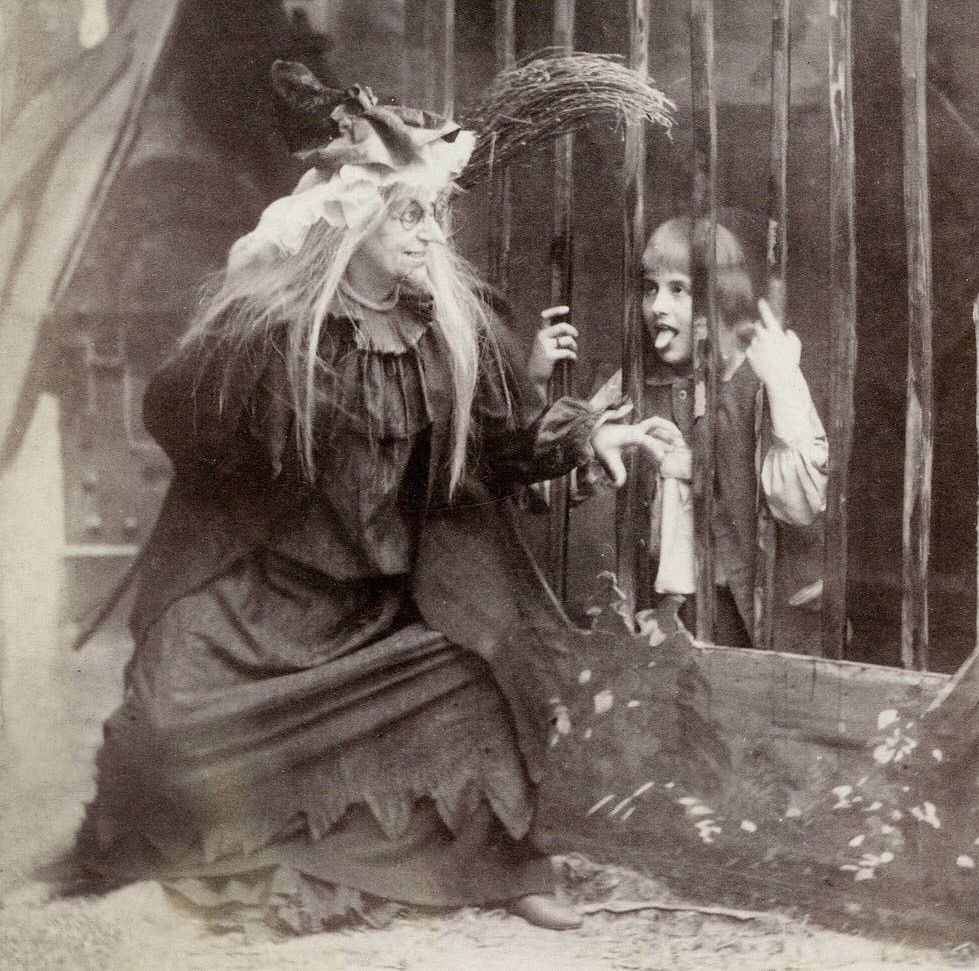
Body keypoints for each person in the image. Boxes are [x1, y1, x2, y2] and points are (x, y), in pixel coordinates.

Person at [74, 64, 684, 935]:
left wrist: (584, 437)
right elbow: (177, 421)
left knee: (479, 688)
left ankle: (499, 865)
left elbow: (498, 448)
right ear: (351, 222)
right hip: (265, 606)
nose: (430, 235)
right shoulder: (277, 333)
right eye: (408, 215)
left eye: (434, 215)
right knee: (163, 724)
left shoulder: (450, 334)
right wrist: (241, 296)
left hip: (386, 616)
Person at [584, 216, 827, 647]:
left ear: (720, 298)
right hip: (669, 611)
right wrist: (544, 383)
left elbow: (800, 506)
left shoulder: (764, 374)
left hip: (753, 612)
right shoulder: (633, 382)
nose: (658, 305)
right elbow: (567, 468)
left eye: (678, 289)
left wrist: (782, 383)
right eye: (650, 288)